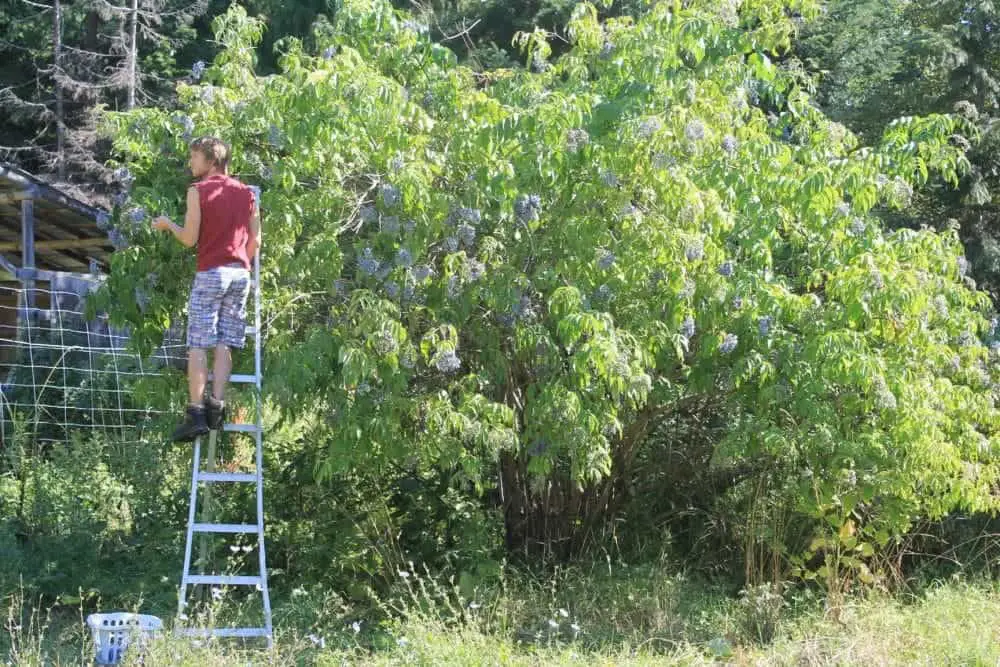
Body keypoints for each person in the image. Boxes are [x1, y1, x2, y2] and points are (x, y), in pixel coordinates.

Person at [152, 136, 260, 441]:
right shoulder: (247, 194)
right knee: (226, 340)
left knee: (198, 343)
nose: (191, 163)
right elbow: (256, 242)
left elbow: (189, 239)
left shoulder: (198, 191)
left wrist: (167, 225)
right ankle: (217, 405)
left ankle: (196, 412)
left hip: (211, 272)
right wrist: (239, 262)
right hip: (240, 275)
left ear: (211, 161)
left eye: (195, 157)